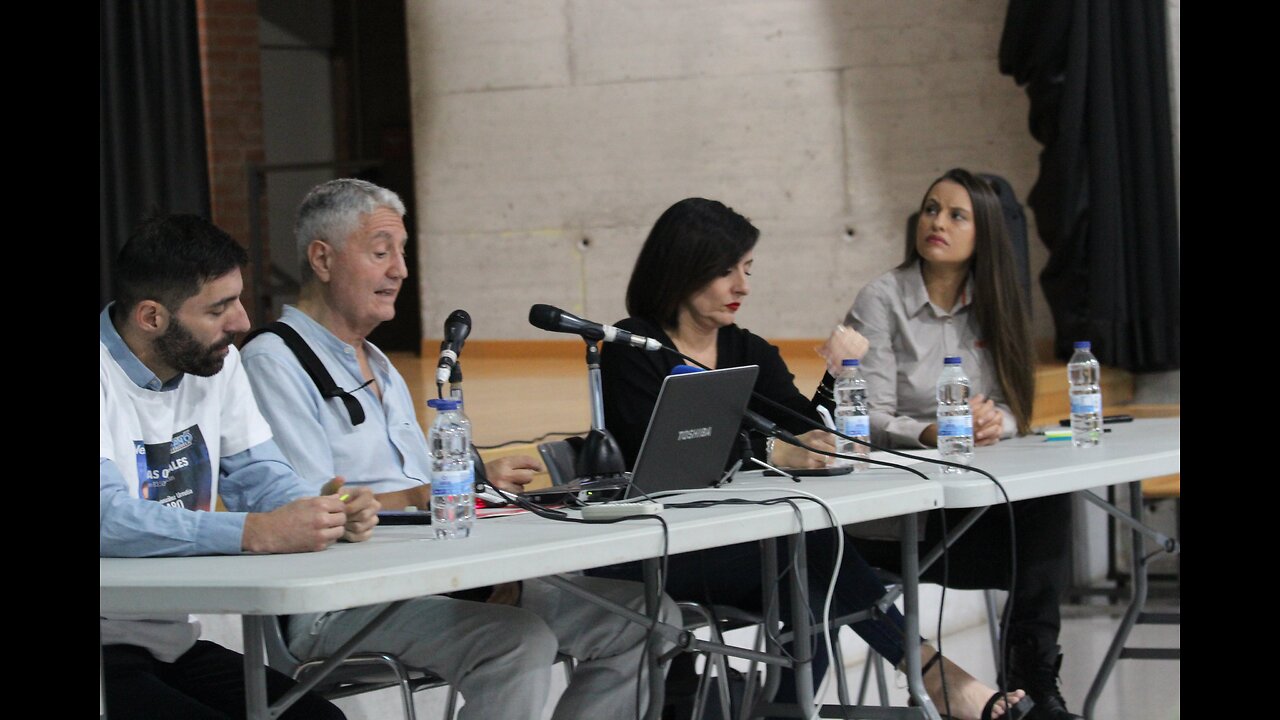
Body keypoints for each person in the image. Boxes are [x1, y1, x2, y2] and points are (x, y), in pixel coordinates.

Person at [240, 178, 680, 720]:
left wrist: (480, 510)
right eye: (381, 253)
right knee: (518, 642)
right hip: (342, 598)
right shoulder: (272, 362)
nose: (400, 269)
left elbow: (427, 496)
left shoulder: (377, 363)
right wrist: (456, 487)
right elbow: (314, 512)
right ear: (323, 259)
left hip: (435, 574)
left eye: (401, 253)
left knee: (652, 618)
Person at [595, 197, 1031, 720]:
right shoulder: (633, 347)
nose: (743, 287)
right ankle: (933, 676)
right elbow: (666, 449)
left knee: (810, 558)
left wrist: (837, 376)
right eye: (726, 271)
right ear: (682, 269)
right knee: (808, 553)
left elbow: (805, 427)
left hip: (748, 543)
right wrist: (770, 451)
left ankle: (800, 706)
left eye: (748, 270)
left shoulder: (746, 349)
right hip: (669, 549)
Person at [821, 169, 1080, 720]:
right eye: (931, 208)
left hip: (961, 512)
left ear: (983, 232)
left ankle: (1031, 678)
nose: (936, 222)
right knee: (1038, 529)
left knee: (1051, 505)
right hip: (894, 522)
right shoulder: (882, 299)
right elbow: (864, 419)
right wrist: (932, 432)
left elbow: (1012, 407)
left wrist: (994, 424)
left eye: (956, 215)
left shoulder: (993, 303)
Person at [100, 213, 379, 719]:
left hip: (168, 641)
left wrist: (324, 510)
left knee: (319, 719)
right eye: (219, 308)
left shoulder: (215, 361)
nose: (243, 322)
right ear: (151, 317)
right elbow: (107, 521)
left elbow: (258, 476)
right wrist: (256, 532)